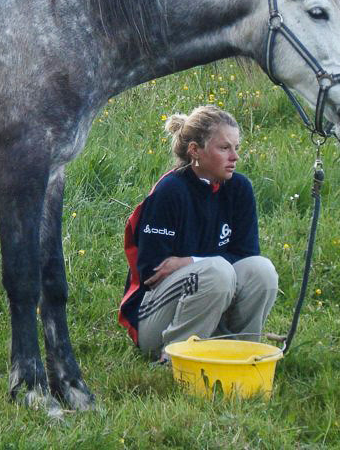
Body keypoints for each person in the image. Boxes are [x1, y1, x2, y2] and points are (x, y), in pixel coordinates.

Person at [118, 105, 278, 361]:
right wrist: (205, 268)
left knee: (262, 270)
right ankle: (175, 358)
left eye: (236, 147)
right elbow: (150, 273)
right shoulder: (171, 191)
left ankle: (240, 354)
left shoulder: (239, 188)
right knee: (218, 271)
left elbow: (246, 255)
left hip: (209, 301)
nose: (234, 156)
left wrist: (191, 262)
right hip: (153, 319)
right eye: (224, 148)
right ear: (195, 151)